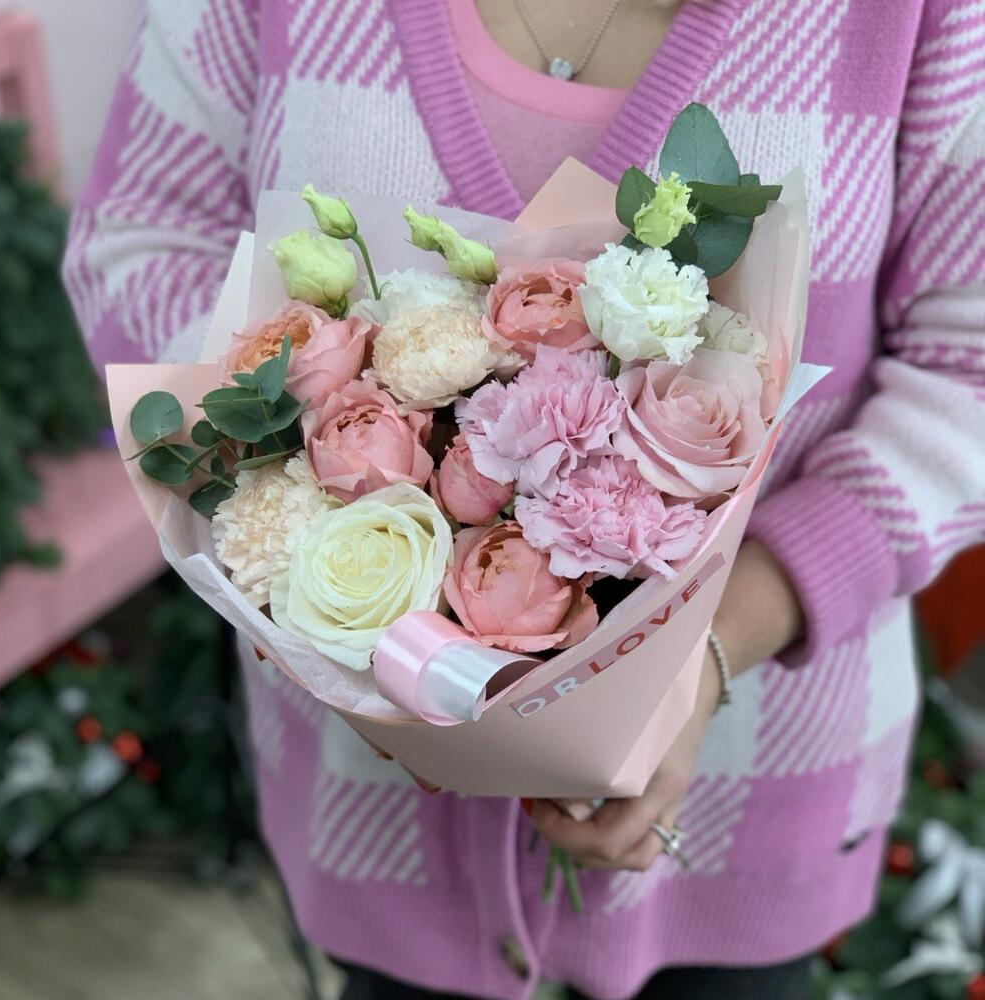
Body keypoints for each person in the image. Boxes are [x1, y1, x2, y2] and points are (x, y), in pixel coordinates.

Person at [63, 1, 985, 997]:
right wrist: (305, 473)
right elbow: (138, 240)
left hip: (743, 805)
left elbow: (966, 371)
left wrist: (708, 651)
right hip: (373, 812)